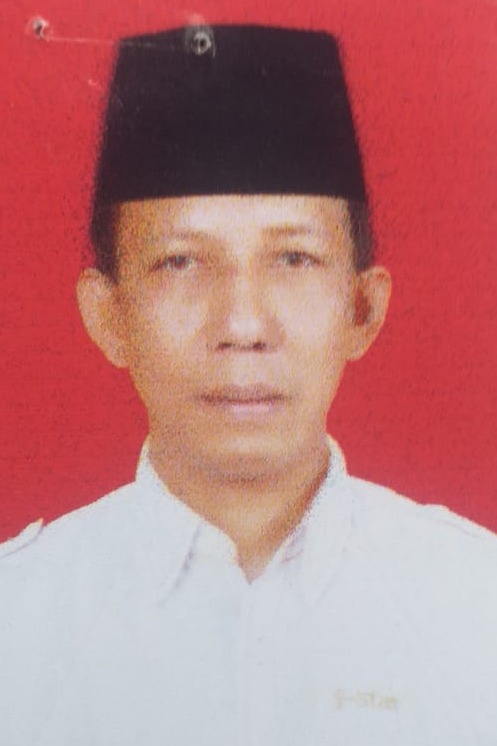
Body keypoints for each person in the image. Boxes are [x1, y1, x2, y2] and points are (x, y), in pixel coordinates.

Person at [1, 24, 496, 746]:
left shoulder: (475, 609)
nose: (242, 324)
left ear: (362, 308)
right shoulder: (17, 625)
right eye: (180, 262)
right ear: (108, 316)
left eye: (293, 259)